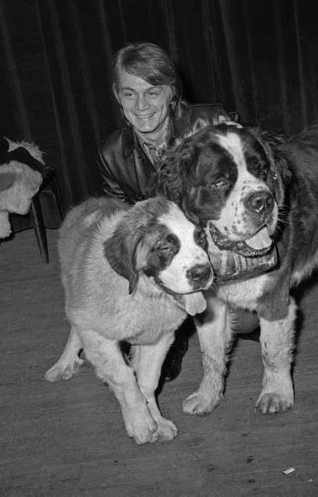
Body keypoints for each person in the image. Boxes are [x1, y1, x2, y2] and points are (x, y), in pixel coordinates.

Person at [97, 42, 259, 382]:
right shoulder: (112, 153)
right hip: (170, 256)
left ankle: (192, 322)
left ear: (172, 93)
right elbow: (123, 221)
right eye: (129, 94)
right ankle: (176, 330)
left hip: (217, 240)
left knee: (245, 321)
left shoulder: (211, 121)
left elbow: (247, 190)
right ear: (117, 95)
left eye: (152, 92)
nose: (141, 106)